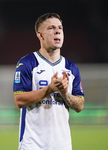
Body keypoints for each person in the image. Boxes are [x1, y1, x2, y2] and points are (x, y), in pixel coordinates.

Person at [13, 13, 85, 150]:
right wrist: (49, 89)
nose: (58, 31)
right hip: (32, 144)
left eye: (60, 28)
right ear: (40, 35)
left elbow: (80, 105)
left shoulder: (71, 68)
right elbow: (19, 100)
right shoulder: (27, 63)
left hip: (62, 145)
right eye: (51, 28)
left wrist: (65, 94)